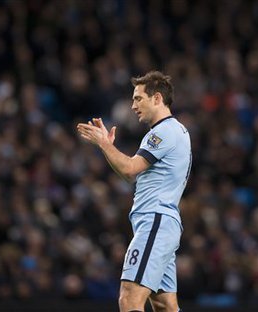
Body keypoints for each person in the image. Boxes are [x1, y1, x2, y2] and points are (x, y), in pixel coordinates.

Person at [77, 71, 191, 312]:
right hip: (163, 223)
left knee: (129, 299)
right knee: (165, 305)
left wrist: (104, 144)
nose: (133, 106)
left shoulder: (164, 132)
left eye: (138, 98)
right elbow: (132, 175)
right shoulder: (175, 131)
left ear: (157, 98)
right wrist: (108, 147)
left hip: (155, 221)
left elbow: (129, 169)